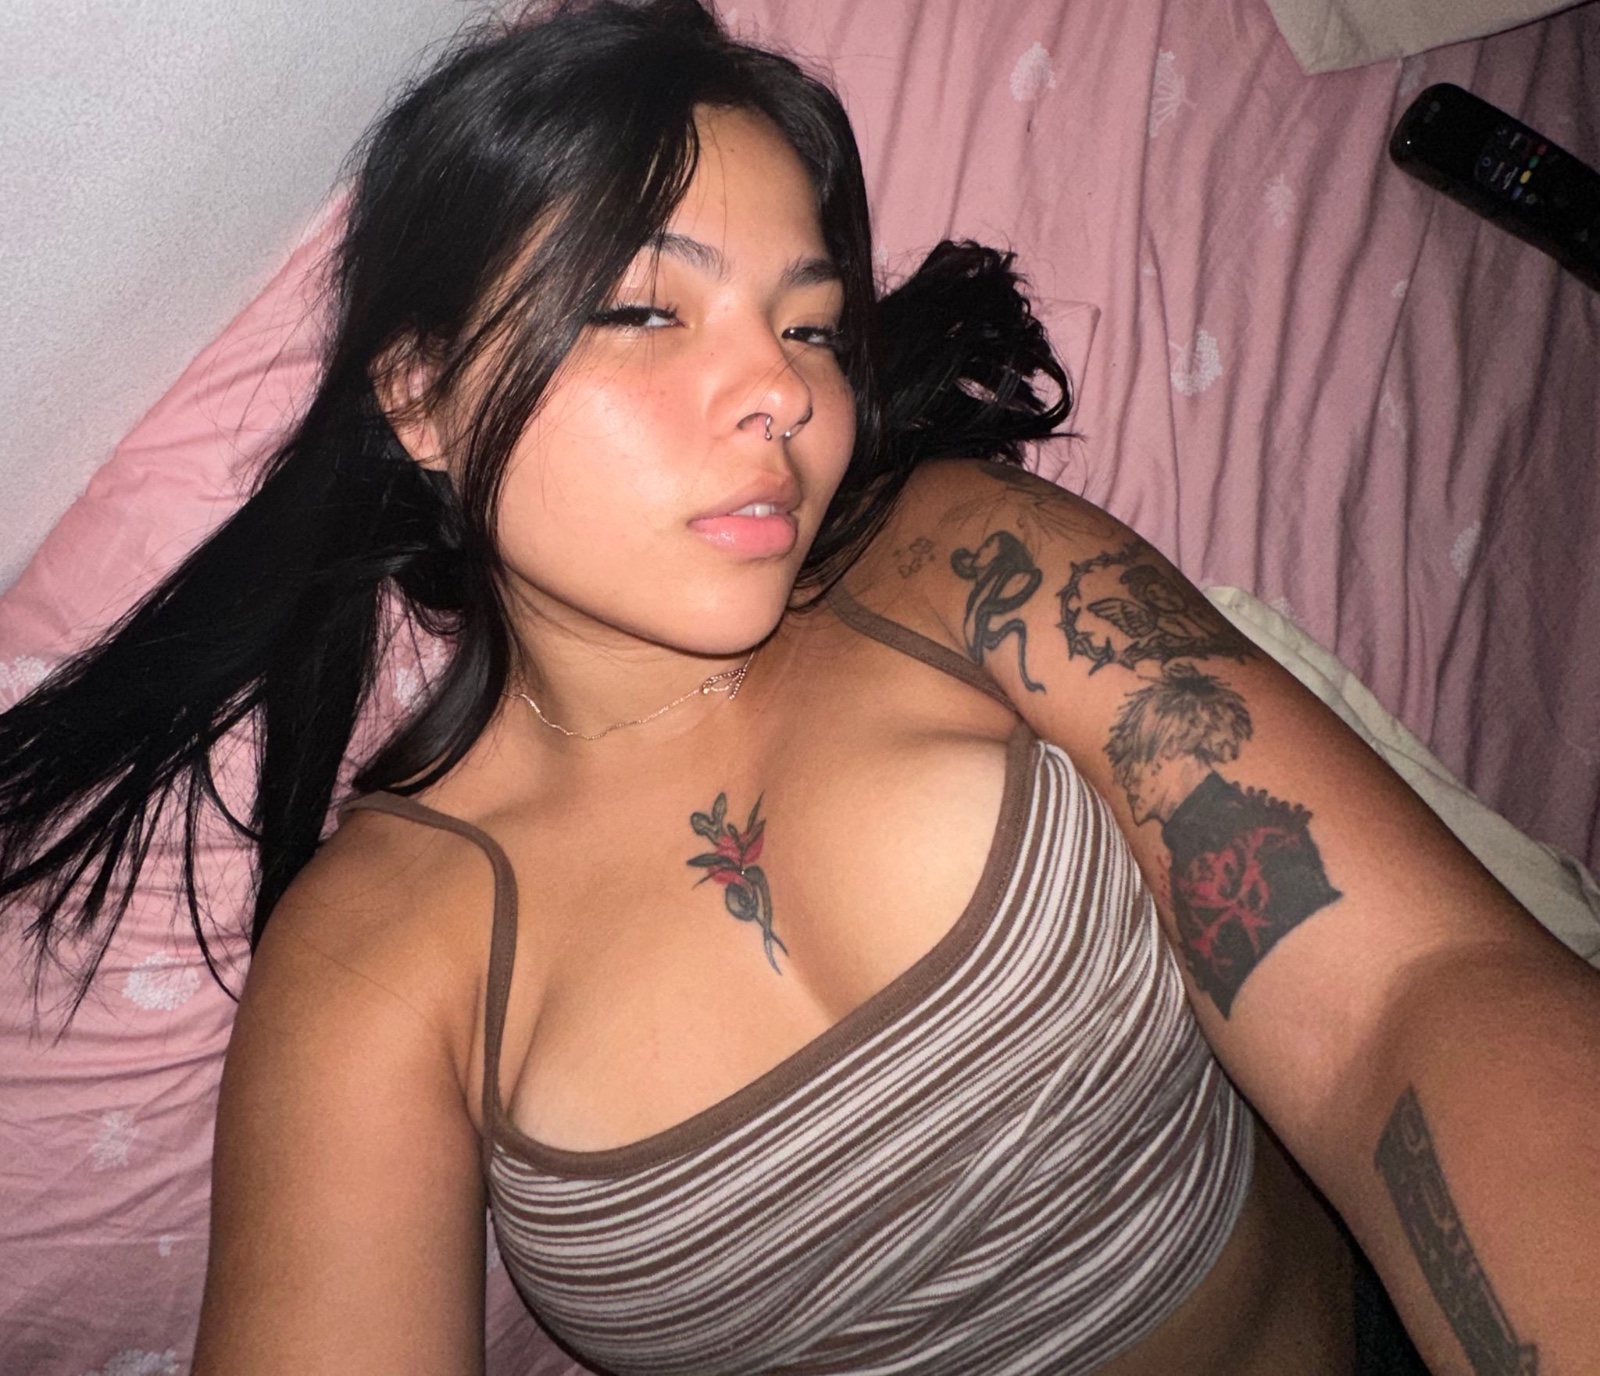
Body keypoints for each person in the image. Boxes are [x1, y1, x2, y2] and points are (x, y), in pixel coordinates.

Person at [2, 2, 1597, 1372]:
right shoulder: (371, 955)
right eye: (646, 308)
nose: (781, 388)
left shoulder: (965, 563)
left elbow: (1407, 995)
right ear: (422, 397)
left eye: (815, 326)